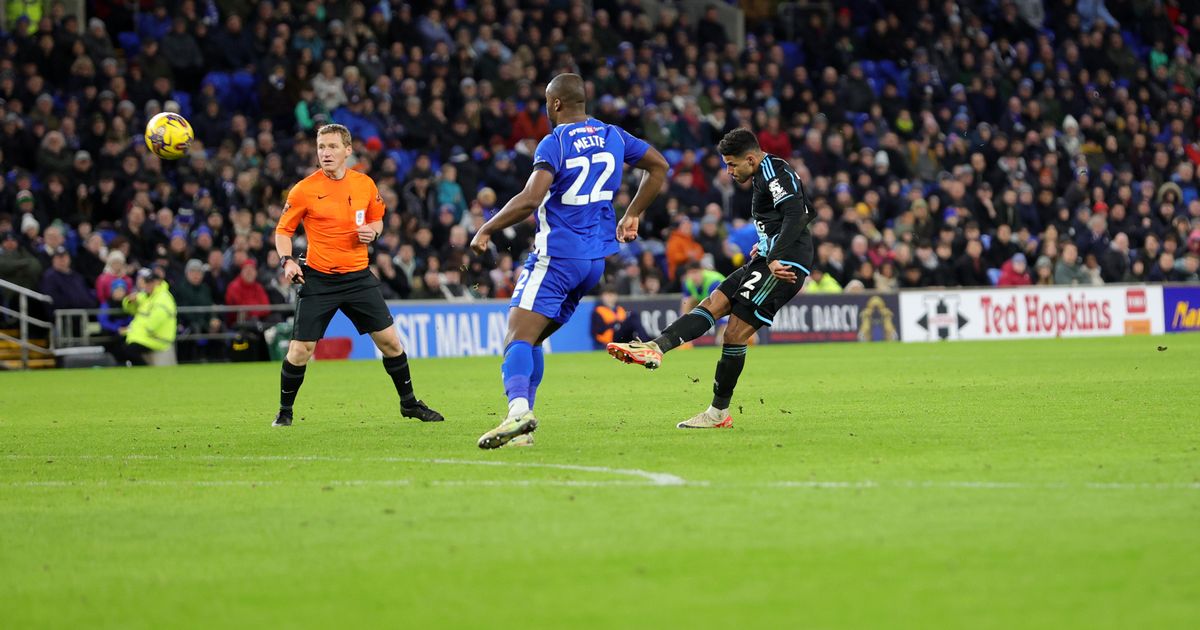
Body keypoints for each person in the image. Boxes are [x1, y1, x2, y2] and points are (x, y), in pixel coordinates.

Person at [469, 73, 668, 448]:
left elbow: (530, 199)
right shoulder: (613, 135)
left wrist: (486, 229)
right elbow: (658, 166)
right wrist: (633, 213)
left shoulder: (555, 141)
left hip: (557, 256)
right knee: (533, 341)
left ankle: (516, 414)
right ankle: (520, 431)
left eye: (547, 102)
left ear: (556, 103)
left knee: (516, 338)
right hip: (593, 262)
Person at [607, 128, 815, 429]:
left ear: (751, 158)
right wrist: (768, 243)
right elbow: (796, 214)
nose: (728, 171)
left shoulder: (774, 172)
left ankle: (718, 414)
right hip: (768, 258)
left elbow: (798, 215)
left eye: (732, 164)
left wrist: (774, 255)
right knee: (713, 301)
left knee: (734, 334)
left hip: (783, 265)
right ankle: (655, 347)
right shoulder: (762, 175)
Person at [274, 123, 443, 427]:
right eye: (321, 147)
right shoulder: (304, 189)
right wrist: (287, 260)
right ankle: (285, 412)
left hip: (357, 277)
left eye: (332, 147)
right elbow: (283, 230)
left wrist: (373, 232)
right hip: (320, 278)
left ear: (348, 150)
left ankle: (409, 404)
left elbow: (378, 219)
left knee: (391, 343)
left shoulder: (364, 184)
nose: (325, 153)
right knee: (300, 350)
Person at [117, 266, 178, 366]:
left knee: (129, 350)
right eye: (147, 282)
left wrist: (134, 330)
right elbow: (130, 308)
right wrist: (130, 301)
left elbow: (156, 319)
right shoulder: (147, 296)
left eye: (150, 282)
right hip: (143, 335)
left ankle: (144, 369)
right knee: (119, 344)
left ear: (157, 282)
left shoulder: (163, 297)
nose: (147, 285)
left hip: (155, 337)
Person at [591, 284, 649, 348]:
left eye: (612, 295)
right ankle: (645, 343)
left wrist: (619, 324)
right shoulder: (598, 311)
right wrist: (614, 324)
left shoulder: (620, 309)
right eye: (607, 295)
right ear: (602, 296)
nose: (610, 298)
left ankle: (644, 342)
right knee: (633, 318)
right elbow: (597, 331)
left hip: (621, 336)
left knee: (634, 316)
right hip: (610, 337)